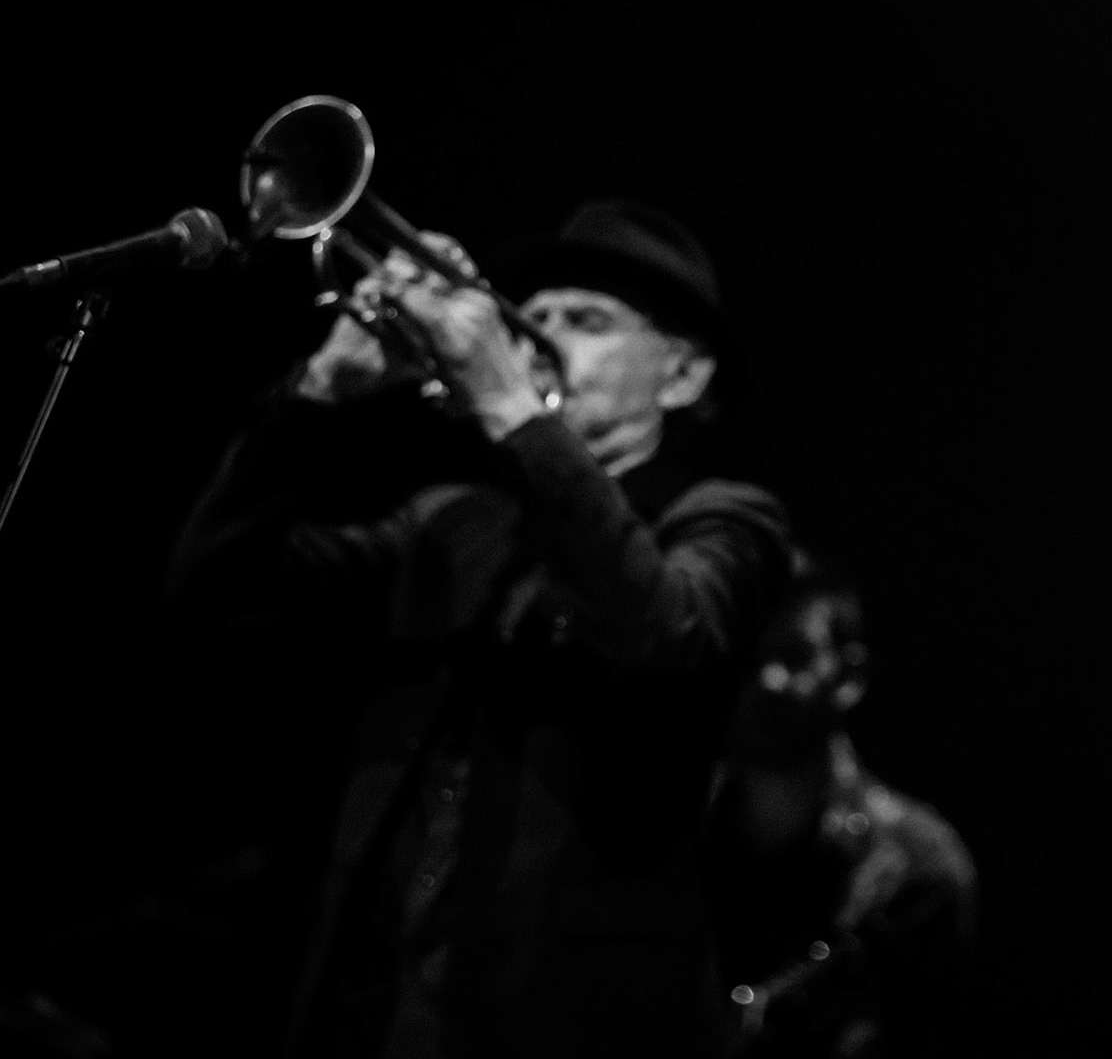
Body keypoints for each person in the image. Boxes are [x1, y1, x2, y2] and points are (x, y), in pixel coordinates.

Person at [167, 198, 791, 1057]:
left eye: (587, 320)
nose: (539, 338)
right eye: (530, 318)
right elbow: (214, 590)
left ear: (682, 377)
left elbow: (658, 632)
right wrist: (319, 394)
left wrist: (506, 400)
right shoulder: (452, 523)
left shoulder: (725, 521)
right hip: (372, 1017)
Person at [703, 552, 978, 1059]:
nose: (768, 679)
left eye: (792, 654)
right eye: (750, 653)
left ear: (849, 675)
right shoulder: (673, 841)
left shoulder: (920, 869)